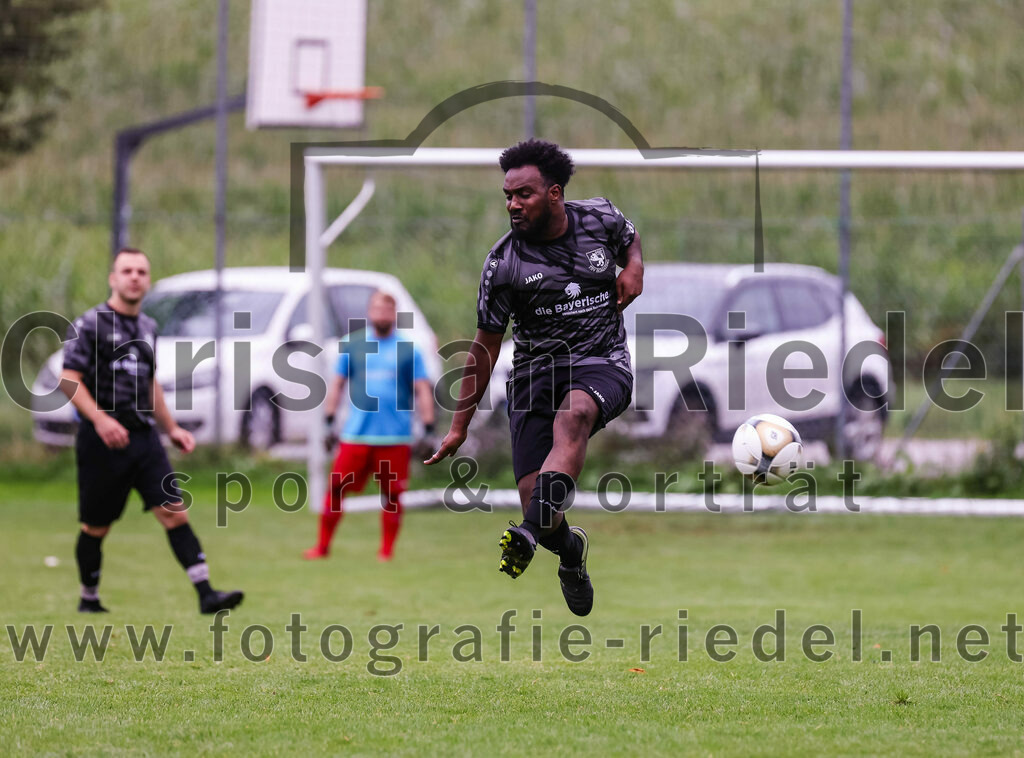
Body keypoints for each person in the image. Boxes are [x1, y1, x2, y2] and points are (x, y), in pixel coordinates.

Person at [426, 139, 644, 617]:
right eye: (507, 195)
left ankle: (525, 531)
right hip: (533, 376)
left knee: (576, 416)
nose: (512, 204)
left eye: (523, 194)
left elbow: (629, 237)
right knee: (542, 504)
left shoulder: (599, 218)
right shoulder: (504, 264)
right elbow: (483, 349)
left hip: (601, 360)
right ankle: (568, 553)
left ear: (554, 193)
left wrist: (634, 267)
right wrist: (459, 426)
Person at [60, 248, 243, 614]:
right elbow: (68, 379)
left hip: (143, 438)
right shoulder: (91, 324)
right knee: (96, 526)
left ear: (148, 280)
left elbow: (150, 383)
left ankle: (207, 594)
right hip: (101, 440)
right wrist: (101, 420)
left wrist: (172, 427)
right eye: (126, 270)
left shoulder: (148, 327)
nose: (134, 277)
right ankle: (89, 597)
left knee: (174, 511)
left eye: (141, 271)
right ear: (113, 278)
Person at [304, 290, 436, 562]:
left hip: (395, 437)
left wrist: (428, 427)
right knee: (337, 488)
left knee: (392, 495)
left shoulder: (408, 349)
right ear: (369, 311)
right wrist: (328, 422)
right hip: (356, 435)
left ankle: (386, 551)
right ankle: (322, 547)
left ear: (394, 314)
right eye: (377, 309)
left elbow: (422, 388)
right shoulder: (352, 344)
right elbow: (338, 384)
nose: (381, 314)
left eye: (387, 309)